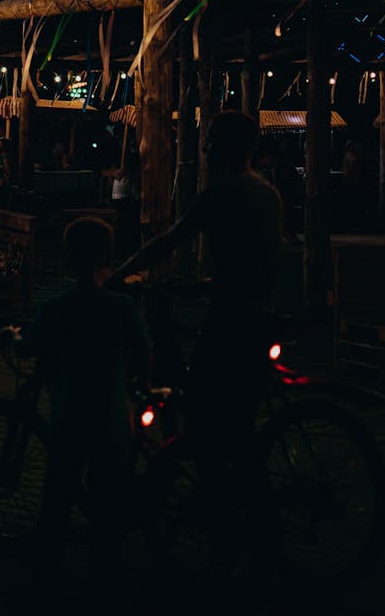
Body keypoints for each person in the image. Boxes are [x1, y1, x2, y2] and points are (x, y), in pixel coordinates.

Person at [113, 108, 284, 585]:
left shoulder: (221, 194)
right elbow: (254, 262)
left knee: (206, 428)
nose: (204, 149)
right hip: (259, 318)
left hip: (230, 327)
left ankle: (229, 526)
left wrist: (120, 271)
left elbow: (170, 240)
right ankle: (253, 525)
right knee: (239, 429)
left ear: (228, 147)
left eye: (210, 141)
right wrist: (202, 285)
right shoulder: (268, 193)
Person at [2, 216, 151, 604]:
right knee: (106, 515)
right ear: (108, 257)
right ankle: (105, 586)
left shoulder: (55, 309)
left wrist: (12, 336)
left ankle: (46, 583)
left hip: (69, 423)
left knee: (56, 507)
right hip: (113, 424)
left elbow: (28, 348)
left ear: (68, 258)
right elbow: (145, 356)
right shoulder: (124, 308)